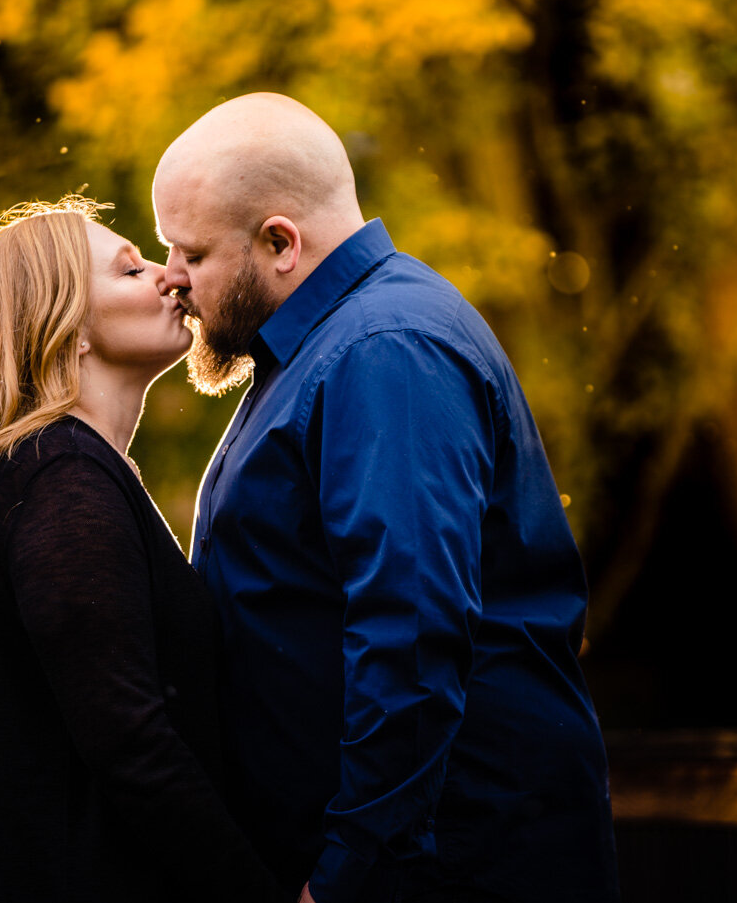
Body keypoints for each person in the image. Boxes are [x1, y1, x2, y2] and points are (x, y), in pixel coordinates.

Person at [153, 93, 621, 903]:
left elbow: (411, 636)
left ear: (279, 243)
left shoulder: (384, 350)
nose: (172, 279)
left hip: (442, 872)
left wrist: (343, 875)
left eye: (190, 253)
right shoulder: (325, 347)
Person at [0, 197, 283, 903]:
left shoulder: (58, 473)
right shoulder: (60, 480)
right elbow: (133, 746)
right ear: (66, 327)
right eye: (131, 270)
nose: (171, 277)